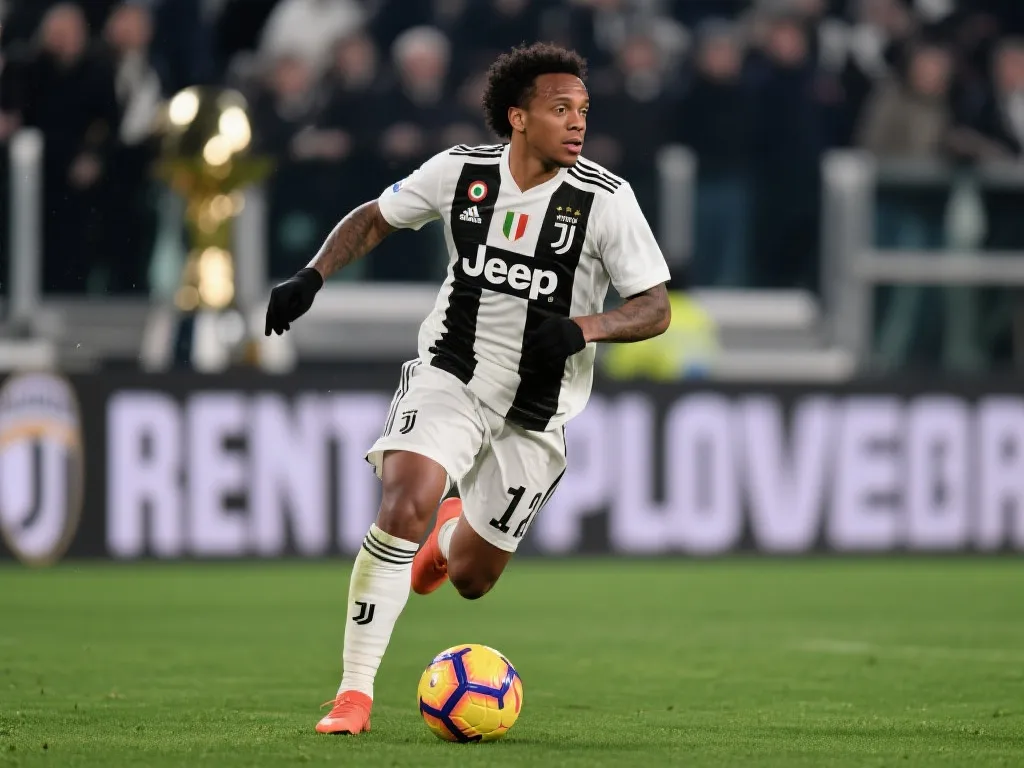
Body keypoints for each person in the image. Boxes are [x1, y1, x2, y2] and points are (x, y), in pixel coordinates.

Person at [264, 42, 672, 735]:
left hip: (536, 410)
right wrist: (313, 275)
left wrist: (586, 328)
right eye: (560, 109)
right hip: (453, 374)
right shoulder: (462, 172)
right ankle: (353, 696)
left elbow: (654, 307)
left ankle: (447, 537)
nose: (578, 122)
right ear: (518, 117)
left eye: (583, 110)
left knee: (472, 579)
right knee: (404, 503)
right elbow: (376, 216)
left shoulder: (606, 200)